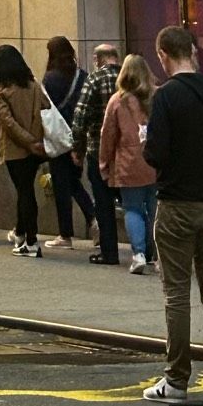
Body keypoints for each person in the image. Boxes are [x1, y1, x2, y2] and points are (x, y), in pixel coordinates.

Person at [141, 24, 203, 403]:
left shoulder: (166, 97)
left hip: (176, 202)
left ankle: (177, 380)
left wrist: (148, 142)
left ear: (163, 55)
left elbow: (157, 154)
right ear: (193, 51)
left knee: (176, 293)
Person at [99, 53, 158, 275]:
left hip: (128, 163)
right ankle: (159, 255)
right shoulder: (157, 96)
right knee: (156, 211)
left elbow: (108, 135)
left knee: (132, 209)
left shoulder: (118, 100)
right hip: (155, 163)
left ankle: (139, 254)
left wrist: (104, 164)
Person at [0, 43, 46, 258]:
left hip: (16, 149)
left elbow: (7, 122)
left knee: (24, 192)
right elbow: (46, 108)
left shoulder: (2, 90)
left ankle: (31, 241)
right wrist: (35, 141)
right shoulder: (33, 85)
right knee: (26, 189)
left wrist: (28, 141)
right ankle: (21, 233)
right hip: (36, 149)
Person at [72, 41, 123, 265]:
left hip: (98, 149)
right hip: (128, 151)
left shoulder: (94, 79)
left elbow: (80, 117)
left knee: (103, 203)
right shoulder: (129, 76)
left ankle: (109, 251)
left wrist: (78, 149)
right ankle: (146, 252)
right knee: (134, 203)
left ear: (97, 60)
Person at [43, 36, 95, 249]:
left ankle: (65, 234)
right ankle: (93, 218)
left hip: (58, 137)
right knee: (74, 182)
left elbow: (45, 109)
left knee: (61, 186)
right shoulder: (82, 76)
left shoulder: (50, 78)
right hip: (79, 138)